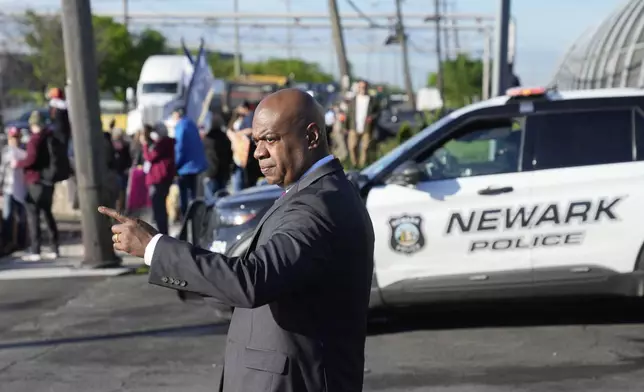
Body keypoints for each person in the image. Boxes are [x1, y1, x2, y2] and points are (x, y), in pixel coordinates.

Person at [98, 88, 375, 392]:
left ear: (311, 137)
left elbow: (251, 280)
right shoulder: (321, 193)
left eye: (270, 139)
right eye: (256, 141)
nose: (258, 152)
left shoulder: (316, 206)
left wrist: (154, 247)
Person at [12, 111, 59, 261]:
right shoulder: (49, 137)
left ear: (33, 125)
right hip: (48, 181)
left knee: (33, 216)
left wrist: (18, 163)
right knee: (47, 213)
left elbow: (31, 159)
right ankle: (54, 247)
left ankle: (35, 250)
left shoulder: (34, 140)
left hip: (35, 181)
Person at [172, 107, 208, 217]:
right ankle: (195, 219)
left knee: (185, 198)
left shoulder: (180, 126)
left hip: (185, 167)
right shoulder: (191, 124)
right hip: (196, 165)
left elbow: (180, 147)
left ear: (177, 114)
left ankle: (187, 221)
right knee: (193, 195)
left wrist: (175, 164)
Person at [140, 124, 175, 235]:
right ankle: (163, 231)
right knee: (160, 207)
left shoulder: (163, 143)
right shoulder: (167, 143)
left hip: (159, 178)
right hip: (162, 178)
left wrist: (145, 144)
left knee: (158, 207)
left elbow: (150, 157)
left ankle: (162, 233)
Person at [0, 127, 27, 253]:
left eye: (16, 137)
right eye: (12, 137)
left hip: (22, 188)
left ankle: (22, 243)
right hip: (8, 188)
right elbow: (2, 171)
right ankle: (7, 242)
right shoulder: (6, 152)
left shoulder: (24, 151)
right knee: (8, 216)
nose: (14, 140)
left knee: (22, 217)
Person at [345, 80, 380, 168]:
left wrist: (372, 117)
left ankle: (363, 165)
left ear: (367, 88)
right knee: (352, 146)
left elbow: (378, 112)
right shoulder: (353, 100)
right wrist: (346, 127)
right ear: (358, 88)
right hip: (354, 127)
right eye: (360, 87)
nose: (362, 89)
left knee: (365, 148)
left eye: (364, 87)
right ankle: (355, 164)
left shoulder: (372, 100)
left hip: (367, 128)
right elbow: (348, 114)